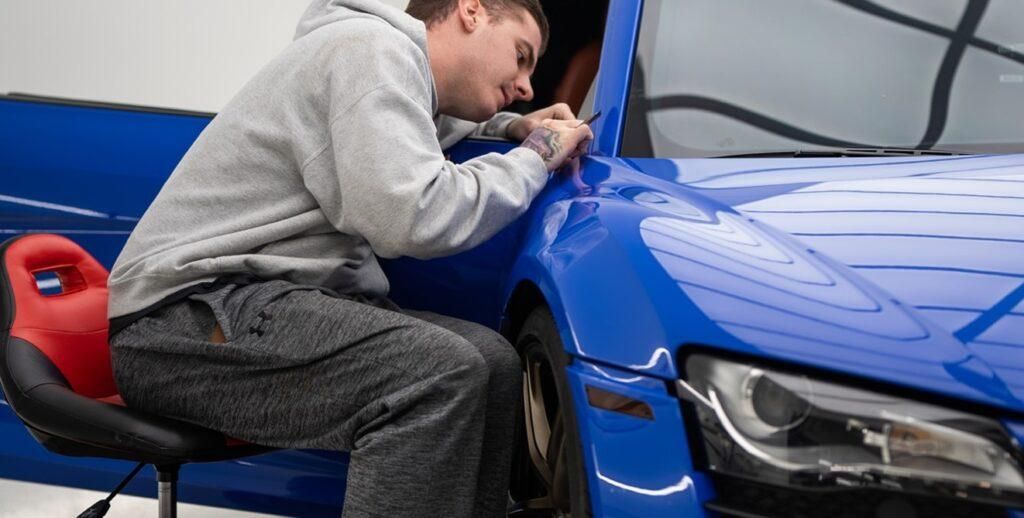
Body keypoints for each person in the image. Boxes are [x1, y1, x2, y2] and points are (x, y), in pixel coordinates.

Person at [105, 0, 593, 516]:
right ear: (471, 11)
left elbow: (420, 128)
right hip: (179, 324)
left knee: (492, 361)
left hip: (236, 305)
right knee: (437, 373)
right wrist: (536, 155)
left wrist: (511, 128)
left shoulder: (386, 67)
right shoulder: (370, 51)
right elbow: (413, 214)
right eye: (521, 56)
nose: (526, 87)